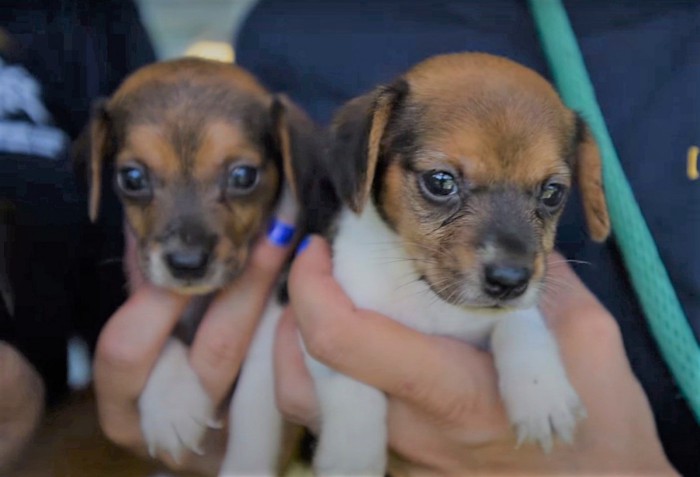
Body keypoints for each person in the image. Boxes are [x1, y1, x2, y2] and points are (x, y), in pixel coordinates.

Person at [233, 0, 700, 475]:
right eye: (441, 185)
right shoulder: (295, 27)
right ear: (364, 162)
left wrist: (524, 345)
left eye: (549, 194)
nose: (509, 264)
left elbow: (516, 320)